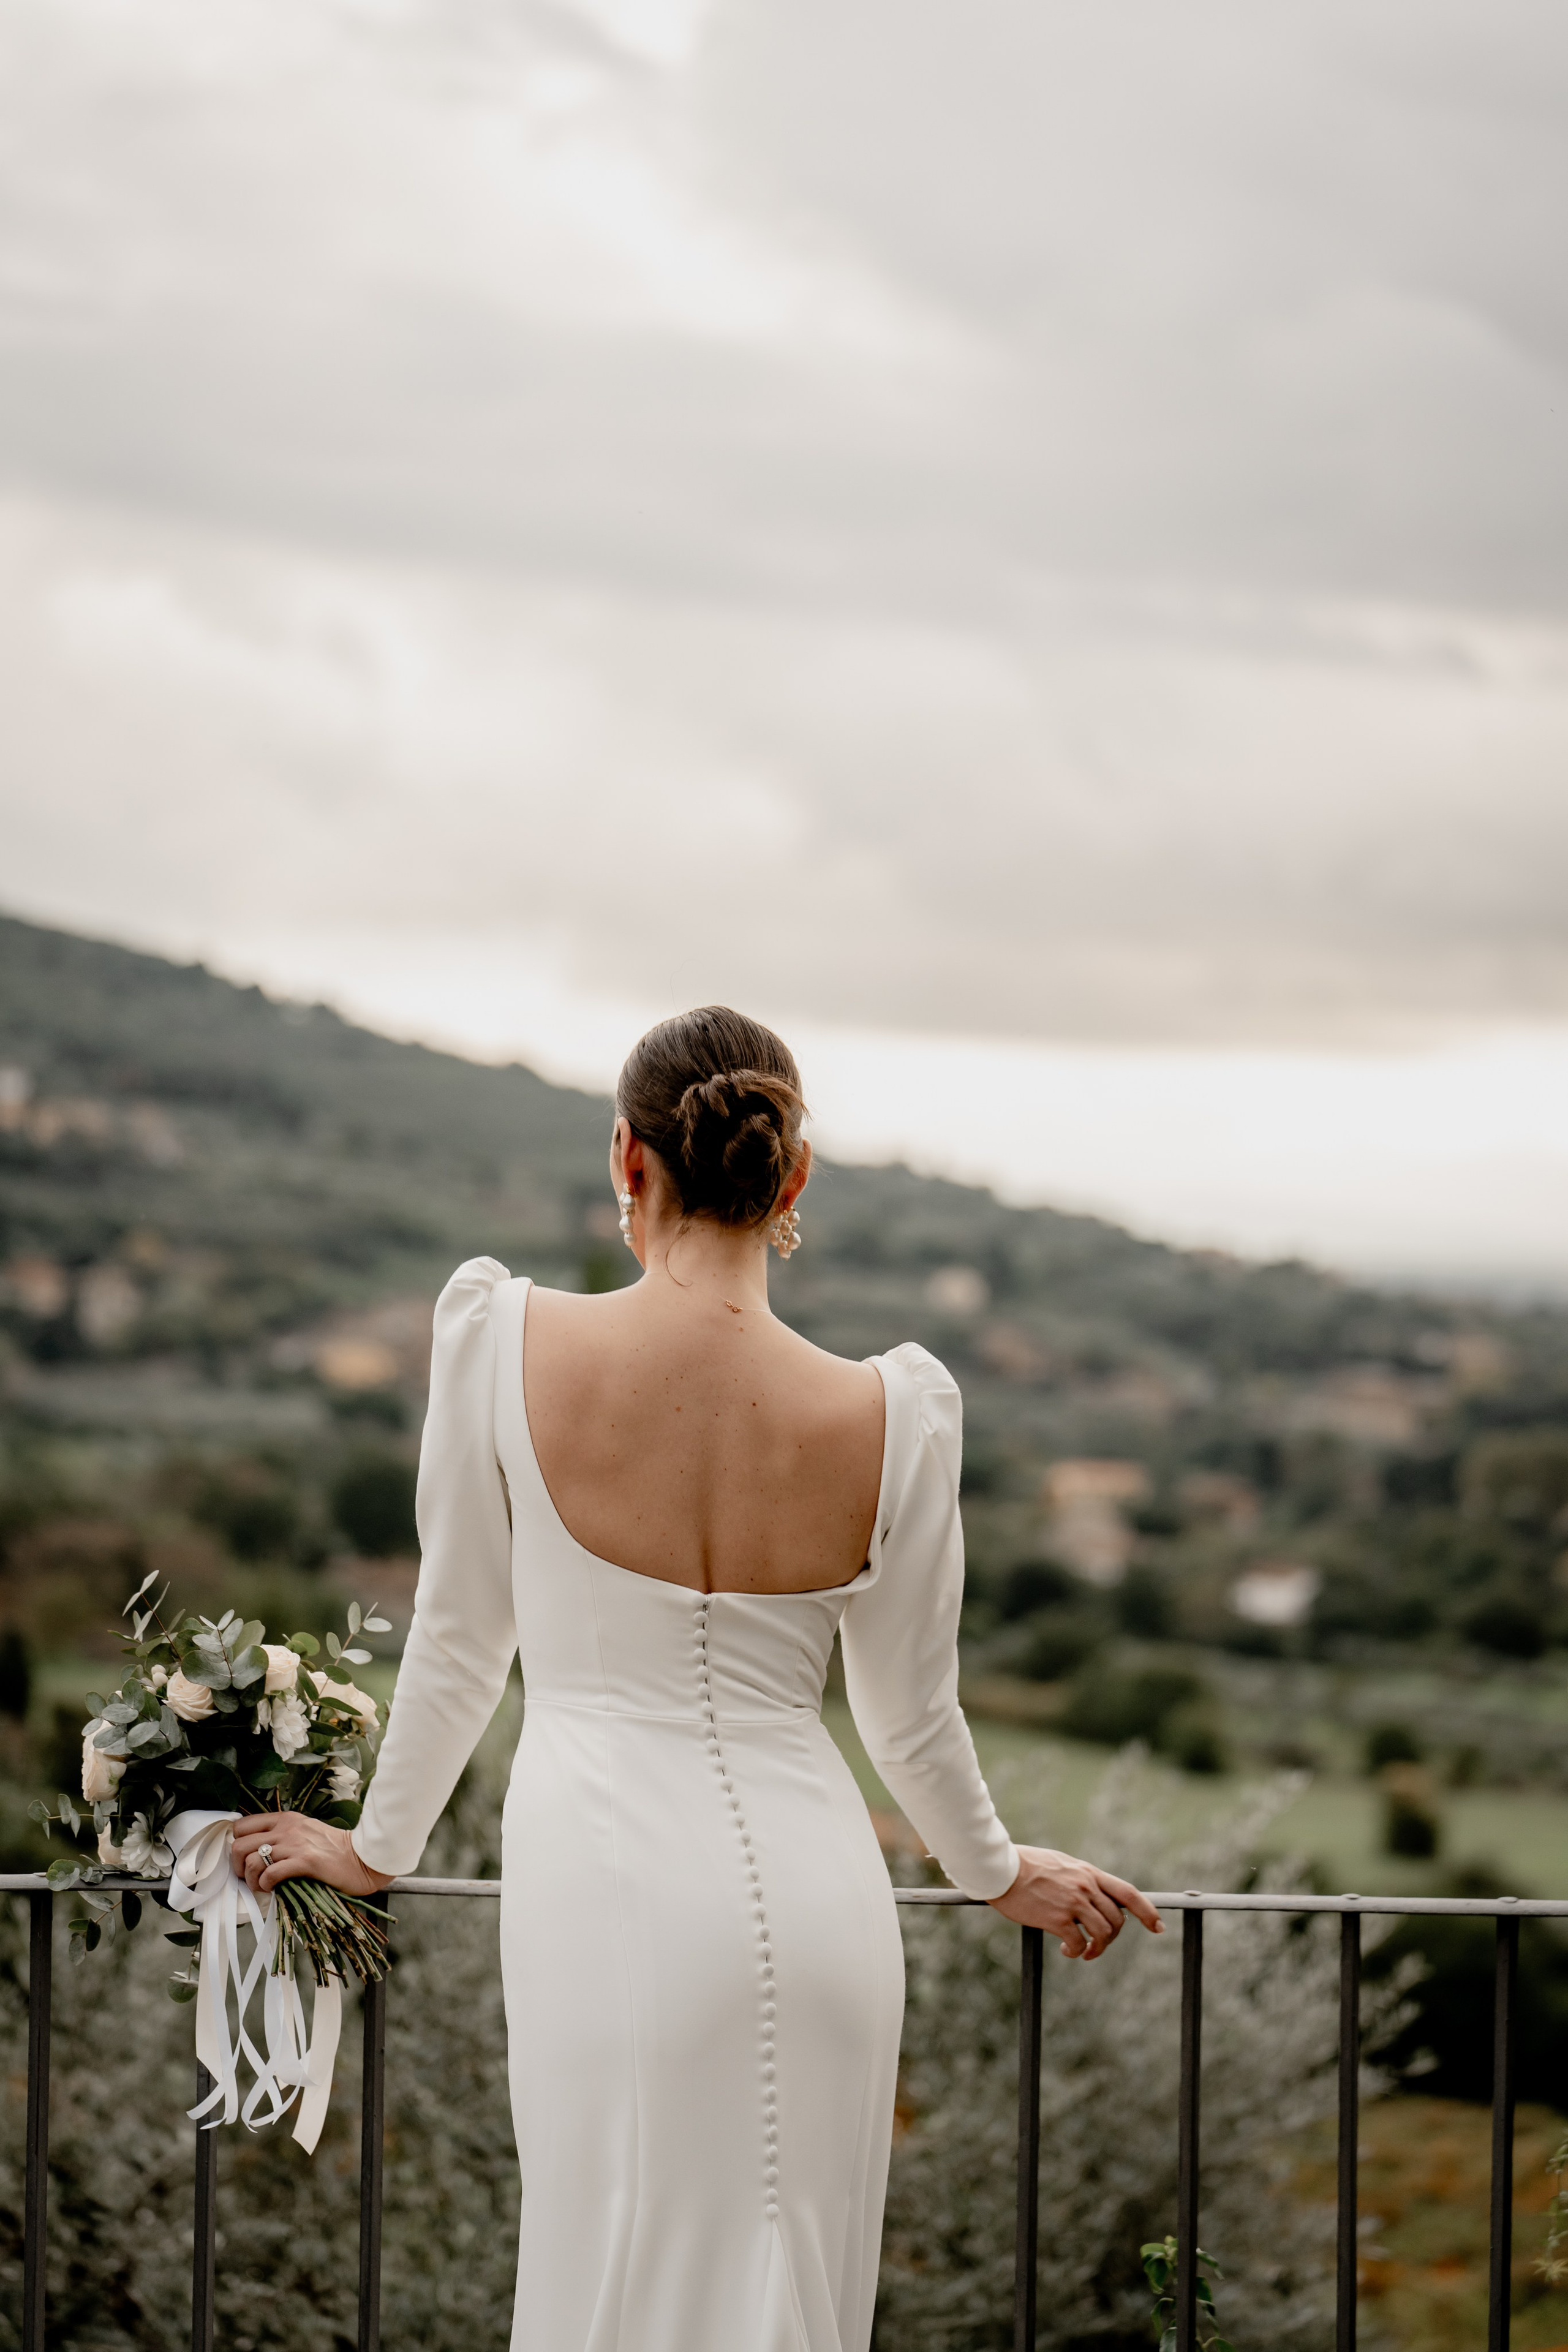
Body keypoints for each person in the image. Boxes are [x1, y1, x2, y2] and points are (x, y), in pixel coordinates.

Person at [231, 1006, 1161, 2352]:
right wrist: (993, 1869)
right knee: (797, 2289)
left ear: (628, 1158)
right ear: (791, 1177)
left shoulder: (501, 1338)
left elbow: (460, 1638)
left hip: (606, 1888)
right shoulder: (897, 1411)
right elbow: (910, 1713)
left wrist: (374, 1853)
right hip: (829, 1911)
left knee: (612, 2275)